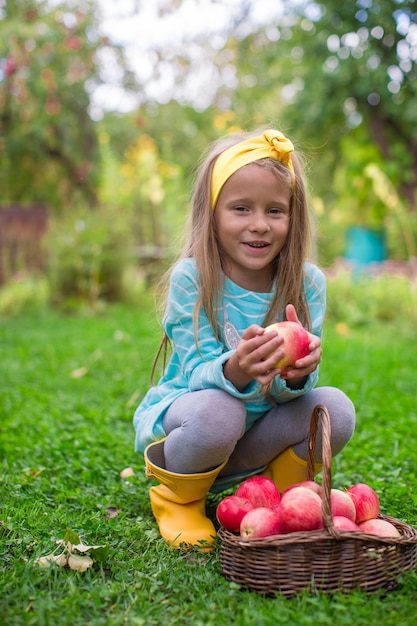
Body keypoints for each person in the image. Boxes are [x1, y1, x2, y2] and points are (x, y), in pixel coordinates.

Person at [133, 128, 355, 549]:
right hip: (199, 427)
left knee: (335, 410)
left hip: (257, 439)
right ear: (212, 214)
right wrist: (235, 368)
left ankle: (272, 492)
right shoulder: (193, 279)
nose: (259, 225)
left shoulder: (306, 284)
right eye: (240, 208)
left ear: (294, 216)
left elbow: (296, 395)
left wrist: (297, 374)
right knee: (222, 411)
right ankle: (179, 496)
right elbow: (196, 370)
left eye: (275, 210)